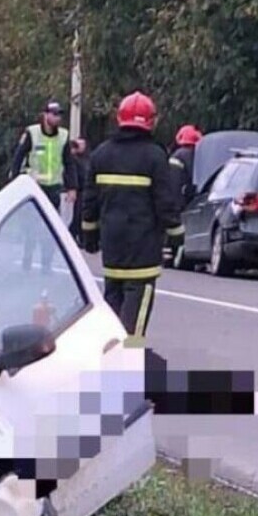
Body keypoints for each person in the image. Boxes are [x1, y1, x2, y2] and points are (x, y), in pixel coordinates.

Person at [82, 92, 182, 347]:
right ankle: (127, 365)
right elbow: (165, 201)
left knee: (112, 303)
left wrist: (89, 235)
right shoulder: (155, 156)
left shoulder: (101, 154)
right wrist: (176, 232)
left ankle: (108, 356)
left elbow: (89, 202)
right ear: (151, 122)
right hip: (144, 249)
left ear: (119, 118)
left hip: (112, 248)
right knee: (136, 318)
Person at [15, 100, 77, 216]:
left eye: (59, 115)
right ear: (45, 115)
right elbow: (18, 157)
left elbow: (69, 162)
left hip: (54, 187)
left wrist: (72, 187)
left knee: (52, 219)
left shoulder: (63, 135)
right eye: (54, 114)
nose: (57, 118)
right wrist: (15, 181)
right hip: (35, 186)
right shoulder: (33, 133)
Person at [65, 138, 97, 252]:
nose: (81, 146)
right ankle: (71, 235)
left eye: (83, 144)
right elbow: (72, 173)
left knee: (82, 215)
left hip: (86, 189)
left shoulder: (87, 158)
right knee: (78, 216)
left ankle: (79, 237)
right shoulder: (74, 159)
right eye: (79, 144)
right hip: (79, 190)